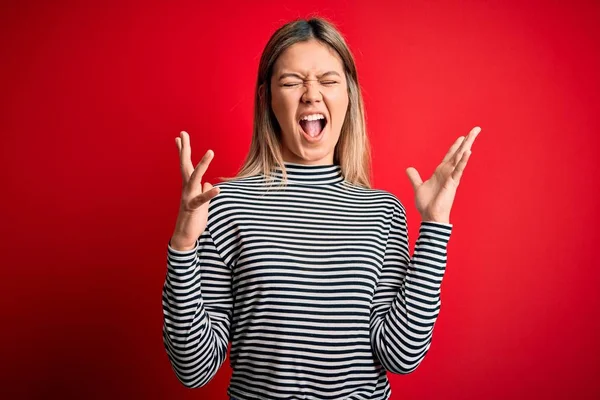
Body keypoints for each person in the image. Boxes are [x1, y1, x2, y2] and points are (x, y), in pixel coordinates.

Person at [162, 17, 480, 400]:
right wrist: (183, 244)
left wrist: (434, 226)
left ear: (349, 95)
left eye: (328, 81)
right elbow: (194, 369)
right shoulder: (223, 205)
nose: (311, 94)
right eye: (292, 82)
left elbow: (401, 355)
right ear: (267, 100)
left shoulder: (382, 212)